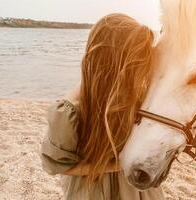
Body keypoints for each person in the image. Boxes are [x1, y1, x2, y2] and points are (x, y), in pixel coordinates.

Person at [40, 13, 164, 200]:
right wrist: (117, 165)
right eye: (135, 63)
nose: (141, 70)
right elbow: (58, 166)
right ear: (115, 63)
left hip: (139, 191)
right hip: (94, 191)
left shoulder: (139, 96)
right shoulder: (70, 111)